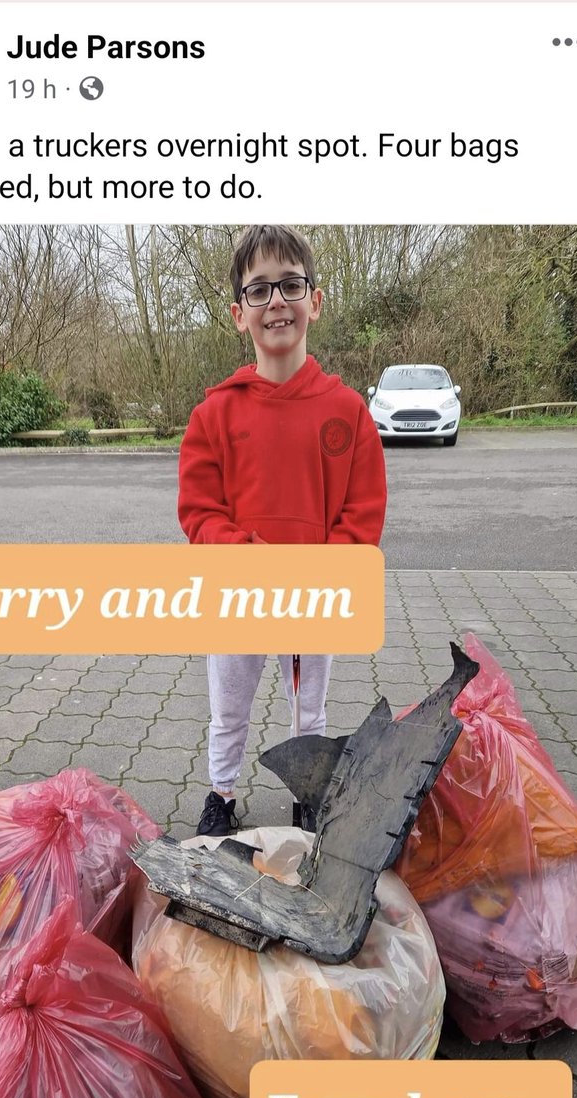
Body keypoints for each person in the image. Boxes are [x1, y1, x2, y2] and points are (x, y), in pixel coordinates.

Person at [178, 225, 387, 836]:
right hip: (237, 596)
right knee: (229, 707)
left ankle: (308, 794)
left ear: (314, 301)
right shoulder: (214, 413)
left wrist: (322, 573)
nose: (277, 301)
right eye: (260, 289)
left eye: (290, 285)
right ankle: (221, 794)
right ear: (239, 313)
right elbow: (199, 510)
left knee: (310, 708)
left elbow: (363, 511)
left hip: (314, 596)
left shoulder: (347, 411)